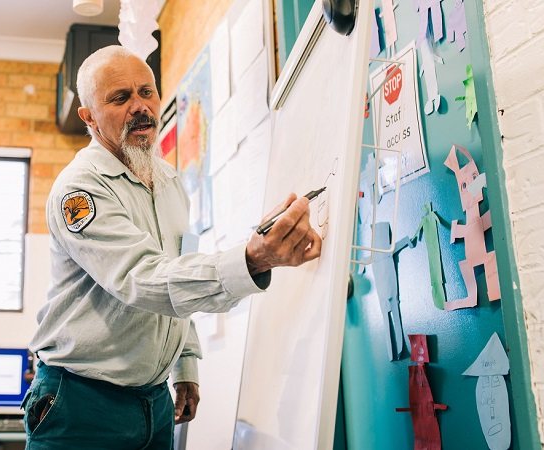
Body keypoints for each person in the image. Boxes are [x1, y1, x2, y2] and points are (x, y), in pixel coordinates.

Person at [23, 45, 322, 450]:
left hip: (153, 401)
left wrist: (185, 364)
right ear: (89, 117)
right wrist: (251, 260)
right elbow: (143, 279)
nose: (139, 107)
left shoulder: (168, 181)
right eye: (120, 98)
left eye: (147, 92)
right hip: (80, 403)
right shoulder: (80, 189)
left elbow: (175, 273)